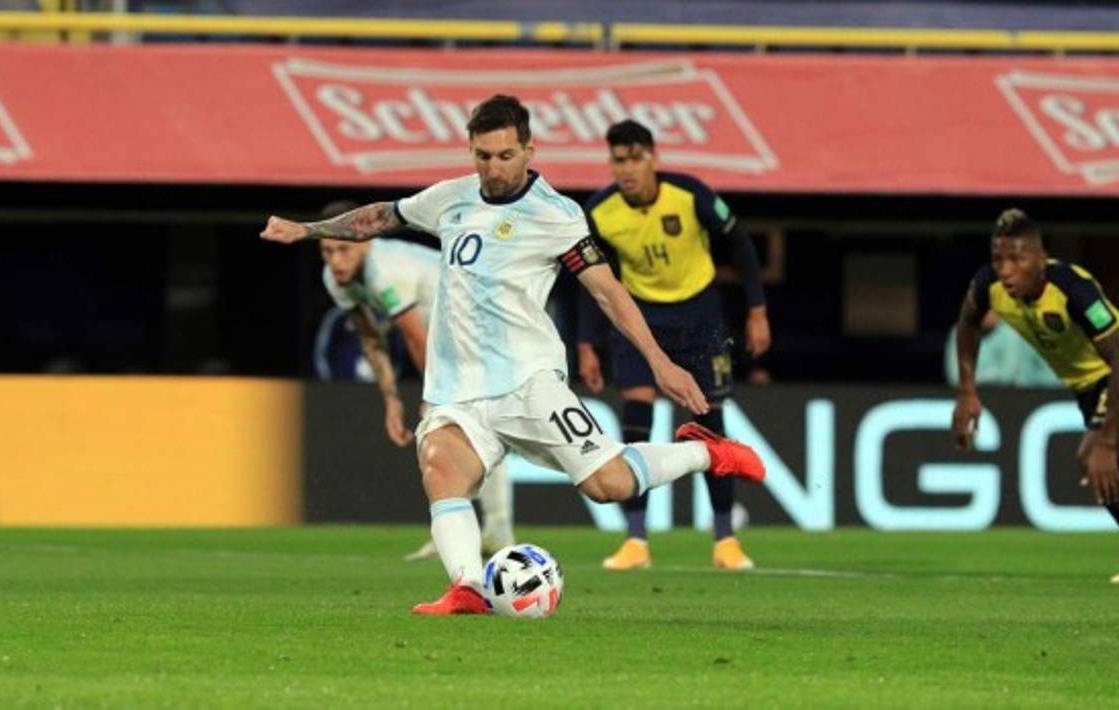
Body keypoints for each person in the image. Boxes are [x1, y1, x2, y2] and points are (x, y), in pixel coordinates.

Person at [262, 94, 766, 615]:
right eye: (482, 155)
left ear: (529, 149)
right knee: (441, 468)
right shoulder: (451, 198)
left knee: (608, 484)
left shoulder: (557, 215)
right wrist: (309, 230)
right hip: (458, 388)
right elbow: (383, 217)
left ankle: (709, 451)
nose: (493, 168)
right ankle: (467, 587)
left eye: (505, 156)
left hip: (528, 382)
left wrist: (660, 361)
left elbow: (608, 292)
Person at [952, 208, 1119, 584]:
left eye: (1017, 258)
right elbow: (967, 323)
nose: (1006, 269)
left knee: (1102, 454)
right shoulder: (989, 287)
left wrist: (1108, 440)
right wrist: (967, 390)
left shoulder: (1073, 289)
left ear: (1040, 257)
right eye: (999, 259)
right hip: (1086, 382)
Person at [577, 120, 770, 571]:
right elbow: (591, 279)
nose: (627, 169)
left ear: (654, 158)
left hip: (699, 317)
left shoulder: (690, 194)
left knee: (709, 421)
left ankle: (725, 539)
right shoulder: (600, 211)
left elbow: (740, 244)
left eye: (635, 158)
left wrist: (757, 309)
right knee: (636, 418)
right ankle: (636, 540)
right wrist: (587, 343)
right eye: (618, 160)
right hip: (639, 320)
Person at [315, 200, 516, 561]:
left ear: (365, 241)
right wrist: (391, 399)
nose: (335, 261)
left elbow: (413, 336)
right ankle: (485, 530)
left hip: (478, 323)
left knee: (459, 427)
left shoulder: (385, 270)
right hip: (449, 335)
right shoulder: (335, 279)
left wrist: (438, 394)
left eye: (343, 249)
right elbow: (371, 338)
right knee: (463, 431)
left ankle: (489, 529)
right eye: (327, 251)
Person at [942, 309, 1061, 388]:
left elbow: (1008, 375)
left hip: (1008, 397)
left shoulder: (1011, 333)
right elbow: (955, 376)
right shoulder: (959, 333)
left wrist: (976, 379)